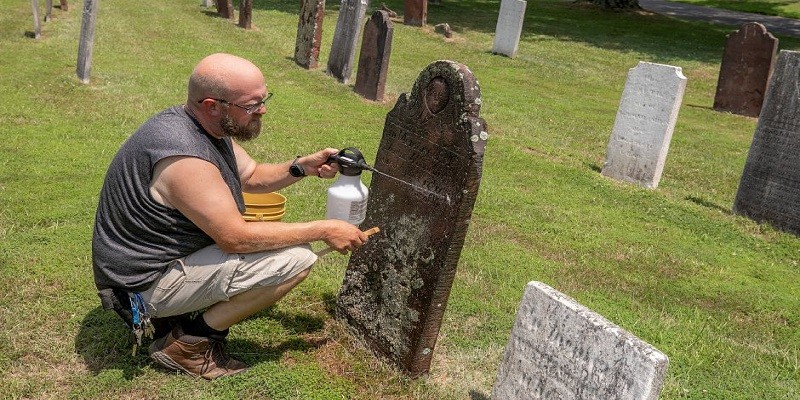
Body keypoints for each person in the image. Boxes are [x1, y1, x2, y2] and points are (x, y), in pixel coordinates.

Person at [92, 53, 369, 380]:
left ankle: (184, 318)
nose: (262, 109)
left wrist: (300, 168)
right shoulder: (184, 158)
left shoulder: (201, 126)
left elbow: (250, 175)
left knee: (285, 251)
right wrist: (324, 229)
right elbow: (234, 237)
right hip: (141, 286)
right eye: (251, 105)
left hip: (153, 264)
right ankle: (188, 343)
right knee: (297, 259)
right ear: (213, 105)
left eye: (263, 99)